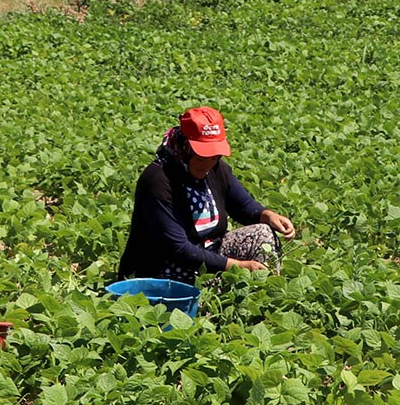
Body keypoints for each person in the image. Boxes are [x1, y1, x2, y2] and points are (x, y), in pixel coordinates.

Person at [117, 106, 297, 285]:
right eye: (201, 157)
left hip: (210, 256)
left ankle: (264, 296)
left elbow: (243, 207)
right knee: (203, 288)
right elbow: (177, 249)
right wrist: (237, 266)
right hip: (165, 268)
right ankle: (214, 303)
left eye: (214, 156)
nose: (208, 164)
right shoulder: (158, 181)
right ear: (185, 147)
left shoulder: (217, 169)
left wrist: (268, 215)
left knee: (263, 232)